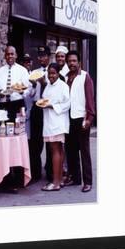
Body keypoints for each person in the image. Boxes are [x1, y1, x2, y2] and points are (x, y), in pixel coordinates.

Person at [0, 46, 30, 191]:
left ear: (16, 55)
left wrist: (22, 91)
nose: (9, 56)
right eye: (7, 54)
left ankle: (19, 179)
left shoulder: (22, 70)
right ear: (4, 55)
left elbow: (28, 90)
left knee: (17, 141)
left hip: (17, 105)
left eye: (12, 54)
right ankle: (5, 179)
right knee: (4, 142)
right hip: (3, 106)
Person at [64, 50, 96, 193]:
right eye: (69, 61)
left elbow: (90, 100)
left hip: (81, 119)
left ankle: (87, 181)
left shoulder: (85, 77)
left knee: (84, 151)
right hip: (68, 118)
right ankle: (75, 178)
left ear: (79, 62)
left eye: (74, 61)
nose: (71, 63)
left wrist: (89, 118)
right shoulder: (65, 78)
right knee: (70, 150)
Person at [40, 63, 70, 191]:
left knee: (55, 151)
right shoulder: (48, 86)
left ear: (58, 74)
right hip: (50, 122)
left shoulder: (63, 86)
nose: (51, 76)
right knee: (58, 151)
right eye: (49, 73)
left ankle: (56, 182)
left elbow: (67, 104)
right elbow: (44, 99)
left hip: (57, 123)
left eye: (53, 73)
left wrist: (52, 106)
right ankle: (60, 179)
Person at [27, 46, 53, 183]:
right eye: (40, 56)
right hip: (37, 108)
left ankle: (50, 172)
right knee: (35, 143)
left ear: (49, 56)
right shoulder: (34, 72)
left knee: (49, 141)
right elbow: (30, 95)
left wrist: (44, 84)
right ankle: (35, 173)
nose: (41, 58)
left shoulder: (53, 71)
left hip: (48, 108)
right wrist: (32, 85)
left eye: (44, 56)